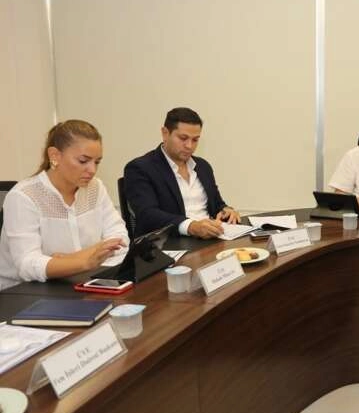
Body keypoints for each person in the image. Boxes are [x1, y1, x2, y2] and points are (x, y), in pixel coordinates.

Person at [0, 120, 129, 291]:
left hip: (78, 282)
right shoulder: (23, 196)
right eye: (83, 161)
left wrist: (70, 259)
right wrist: (85, 261)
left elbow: (120, 238)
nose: (92, 170)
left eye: (97, 162)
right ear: (54, 156)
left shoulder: (95, 187)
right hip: (23, 292)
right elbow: (27, 264)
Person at [124, 107, 239, 239]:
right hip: (169, 243)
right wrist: (191, 226)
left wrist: (226, 210)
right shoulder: (140, 168)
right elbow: (147, 215)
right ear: (165, 133)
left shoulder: (203, 166)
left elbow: (217, 204)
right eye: (183, 138)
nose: (189, 146)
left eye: (195, 140)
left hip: (210, 239)